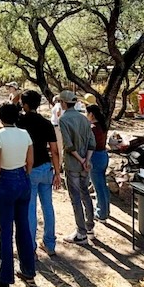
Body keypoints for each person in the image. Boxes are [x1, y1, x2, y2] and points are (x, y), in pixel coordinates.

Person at [0, 103, 35, 287]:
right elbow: (30, 162)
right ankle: (28, 271)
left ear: (1, 117)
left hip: (5, 181)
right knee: (23, 227)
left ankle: (4, 280)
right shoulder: (25, 134)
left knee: (5, 231)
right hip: (22, 178)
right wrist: (23, 176)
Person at [17, 90, 61, 257]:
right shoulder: (46, 122)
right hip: (46, 167)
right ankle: (49, 244)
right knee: (48, 206)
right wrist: (57, 172)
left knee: (30, 209)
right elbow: (55, 150)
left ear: (25, 104)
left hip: (29, 168)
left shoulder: (20, 121)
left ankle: (30, 248)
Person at [58, 90, 96, 245]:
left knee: (75, 197)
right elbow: (92, 142)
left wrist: (80, 160)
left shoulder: (63, 119)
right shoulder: (84, 119)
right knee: (85, 193)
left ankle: (81, 232)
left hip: (74, 164)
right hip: (86, 164)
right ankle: (90, 227)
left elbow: (68, 145)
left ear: (64, 103)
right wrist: (86, 160)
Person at [85, 105, 110, 222]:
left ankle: (101, 213)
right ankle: (105, 210)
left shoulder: (93, 128)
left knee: (98, 187)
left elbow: (89, 144)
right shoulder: (102, 126)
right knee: (103, 185)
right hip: (103, 155)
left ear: (91, 114)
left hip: (95, 157)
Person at [50, 95, 64, 167]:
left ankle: (59, 164)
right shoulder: (58, 105)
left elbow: (58, 113)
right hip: (55, 127)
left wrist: (59, 122)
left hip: (56, 127)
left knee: (59, 146)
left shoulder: (58, 105)